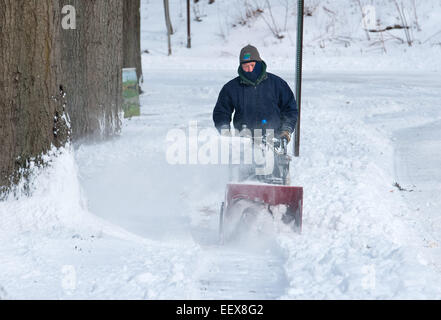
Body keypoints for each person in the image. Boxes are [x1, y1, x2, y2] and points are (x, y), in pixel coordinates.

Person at [213, 44, 298, 143]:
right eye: (245, 67)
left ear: (259, 63)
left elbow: (290, 109)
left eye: (252, 65)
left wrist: (286, 130)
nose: (249, 70)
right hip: (244, 140)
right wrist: (225, 132)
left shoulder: (277, 83)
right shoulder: (231, 88)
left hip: (274, 139)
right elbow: (221, 112)